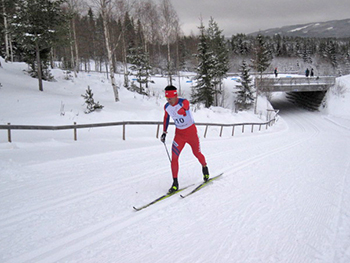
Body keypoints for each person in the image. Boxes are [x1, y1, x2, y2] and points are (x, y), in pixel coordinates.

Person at [160, 85, 209, 193]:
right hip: (179, 135)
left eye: (171, 98)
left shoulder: (183, 102)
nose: (169, 101)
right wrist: (164, 132)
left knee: (197, 153)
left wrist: (182, 110)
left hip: (191, 133)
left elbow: (186, 105)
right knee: (174, 158)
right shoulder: (167, 106)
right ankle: (175, 183)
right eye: (167, 98)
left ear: (175, 95)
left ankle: (205, 168)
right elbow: (166, 118)